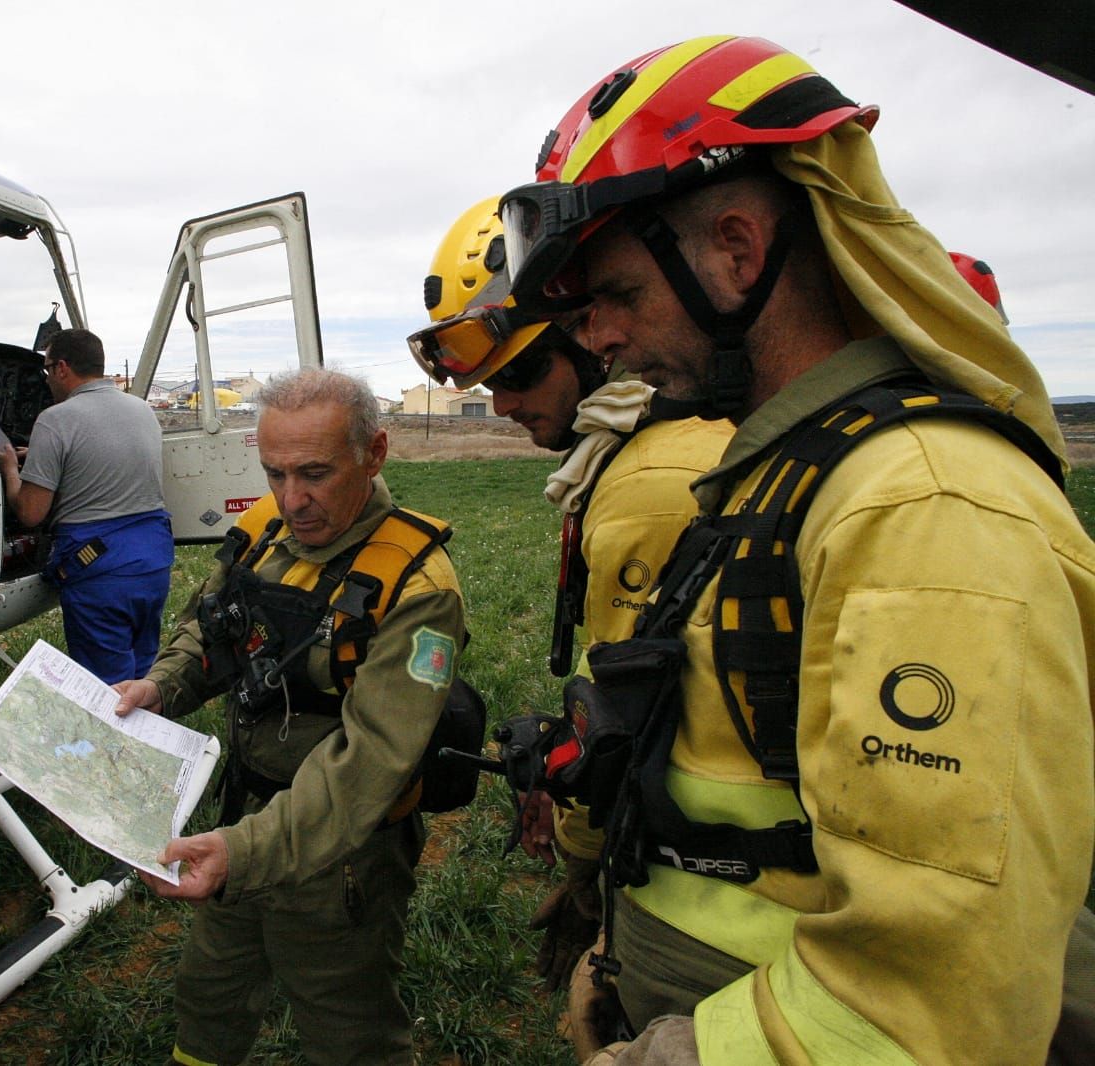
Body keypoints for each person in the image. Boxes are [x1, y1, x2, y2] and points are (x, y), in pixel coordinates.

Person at [495, 35, 1095, 1063]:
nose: (593, 338)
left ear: (735, 248)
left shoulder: (923, 506)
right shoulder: (787, 472)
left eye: (617, 295)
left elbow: (930, 1006)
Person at [410, 197, 733, 994]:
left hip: (699, 895)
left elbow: (628, 726)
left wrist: (585, 866)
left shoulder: (648, 483)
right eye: (488, 383)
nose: (505, 404)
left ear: (592, 336)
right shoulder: (648, 449)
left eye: (519, 372)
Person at [112, 367, 466, 1066]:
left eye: (314, 474)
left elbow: (369, 763)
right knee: (208, 996)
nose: (291, 499)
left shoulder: (418, 589)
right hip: (242, 818)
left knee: (349, 1025)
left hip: (341, 860)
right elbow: (211, 630)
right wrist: (160, 687)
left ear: (375, 453)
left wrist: (241, 853)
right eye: (274, 473)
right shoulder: (265, 533)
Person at [0, 328, 172, 684]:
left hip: (101, 571)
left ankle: (113, 739)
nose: (46, 380)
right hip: (153, 560)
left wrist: (12, 470)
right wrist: (46, 457)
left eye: (46, 370)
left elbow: (30, 512)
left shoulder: (56, 419)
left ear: (62, 368)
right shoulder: (141, 409)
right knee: (142, 676)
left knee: (106, 690)